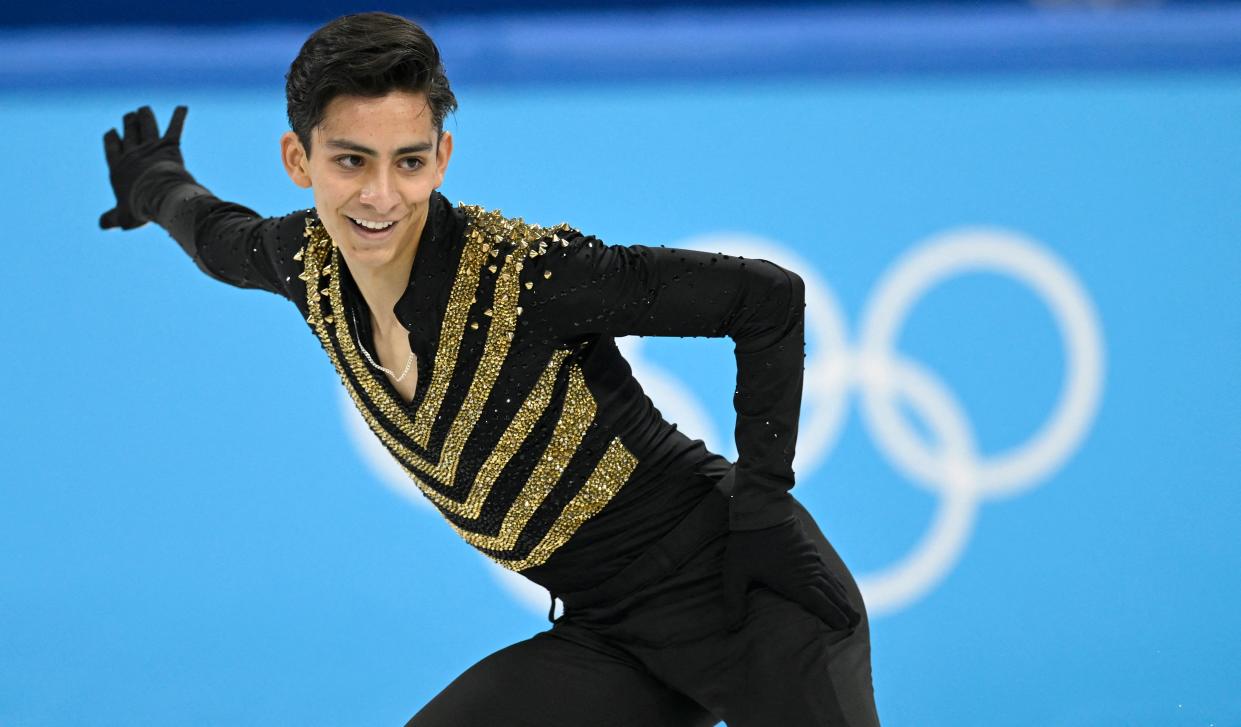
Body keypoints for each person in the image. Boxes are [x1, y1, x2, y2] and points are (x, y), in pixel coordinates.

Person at [98, 11, 880, 726]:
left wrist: (766, 505)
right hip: (607, 634)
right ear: (298, 160)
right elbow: (214, 236)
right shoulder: (305, 263)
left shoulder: (526, 274)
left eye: (407, 161)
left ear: (441, 156)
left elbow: (765, 298)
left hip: (752, 595)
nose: (379, 195)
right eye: (349, 161)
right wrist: (153, 183)